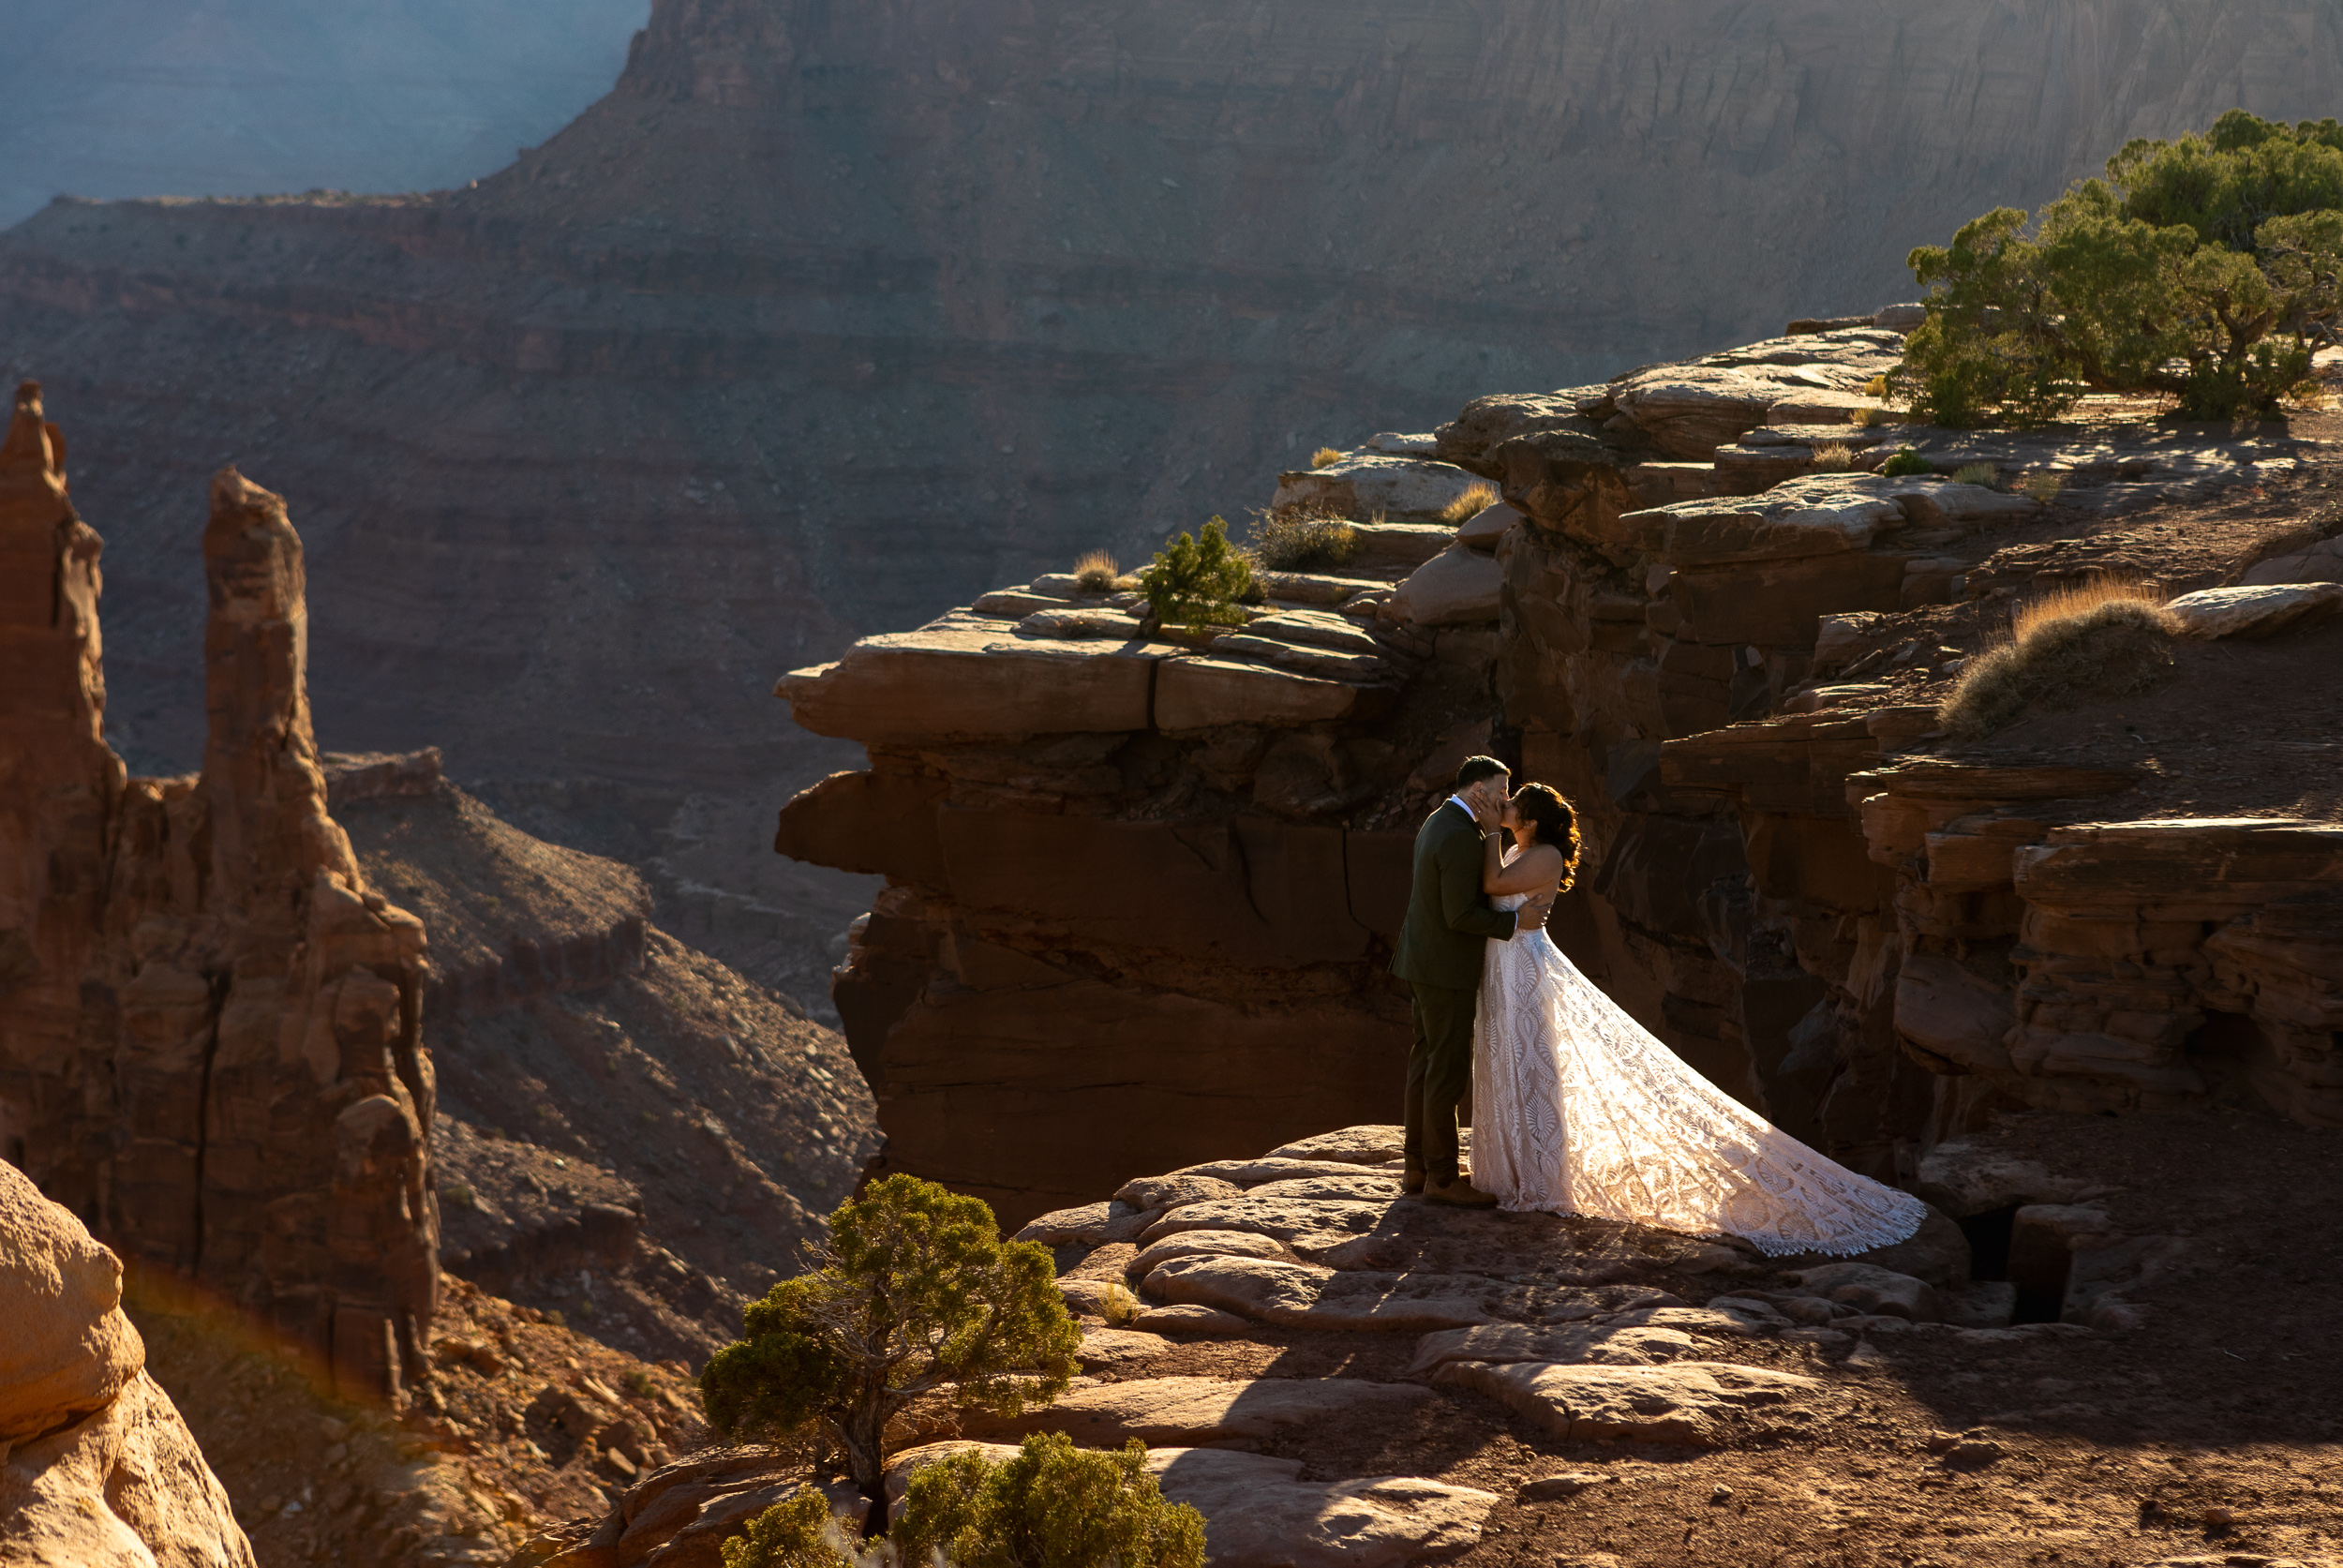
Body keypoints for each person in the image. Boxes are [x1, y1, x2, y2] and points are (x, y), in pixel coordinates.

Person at [1465, 780, 1927, 1256]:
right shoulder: (1522, 850)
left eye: (1514, 803)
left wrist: (1485, 832)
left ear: (1533, 820)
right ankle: (1512, 1170)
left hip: (1524, 968)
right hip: (1504, 966)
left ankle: (1541, 1177)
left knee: (1533, 1066)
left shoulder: (1543, 855)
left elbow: (1494, 884)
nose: (1506, 805)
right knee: (1510, 1064)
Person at [1391, 755, 1552, 1207]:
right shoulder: (1461, 837)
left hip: (1422, 963)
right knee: (1445, 1070)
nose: (1505, 800)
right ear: (1477, 790)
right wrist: (1515, 921)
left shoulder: (1440, 820)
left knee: (1425, 1064)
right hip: (1446, 971)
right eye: (1501, 791)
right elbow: (1459, 914)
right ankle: (1442, 1178)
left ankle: (1418, 1166)